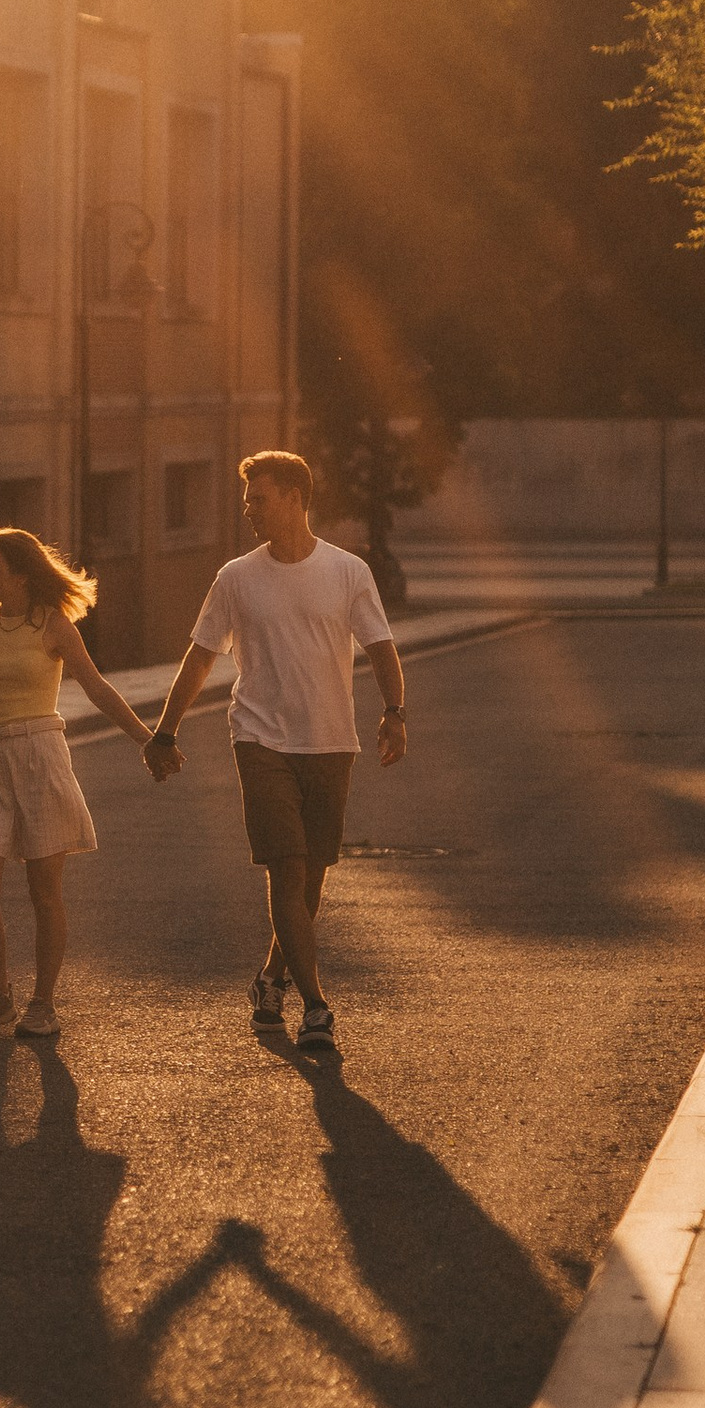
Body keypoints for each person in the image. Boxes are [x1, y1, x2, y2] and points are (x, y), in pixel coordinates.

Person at [146, 451, 406, 1056]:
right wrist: (165, 731)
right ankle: (317, 1006)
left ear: (294, 496)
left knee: (310, 875)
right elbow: (201, 656)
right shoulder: (236, 576)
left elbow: (381, 648)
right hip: (259, 738)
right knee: (287, 866)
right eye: (247, 499)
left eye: (258, 498)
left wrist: (395, 712)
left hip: (330, 740)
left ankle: (271, 977)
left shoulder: (347, 571)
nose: (248, 510)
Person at [0, 527, 172, 1039]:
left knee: (45, 893)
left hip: (42, 755)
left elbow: (95, 687)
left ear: (21, 575)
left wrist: (147, 740)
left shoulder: (55, 626)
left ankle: (43, 1002)